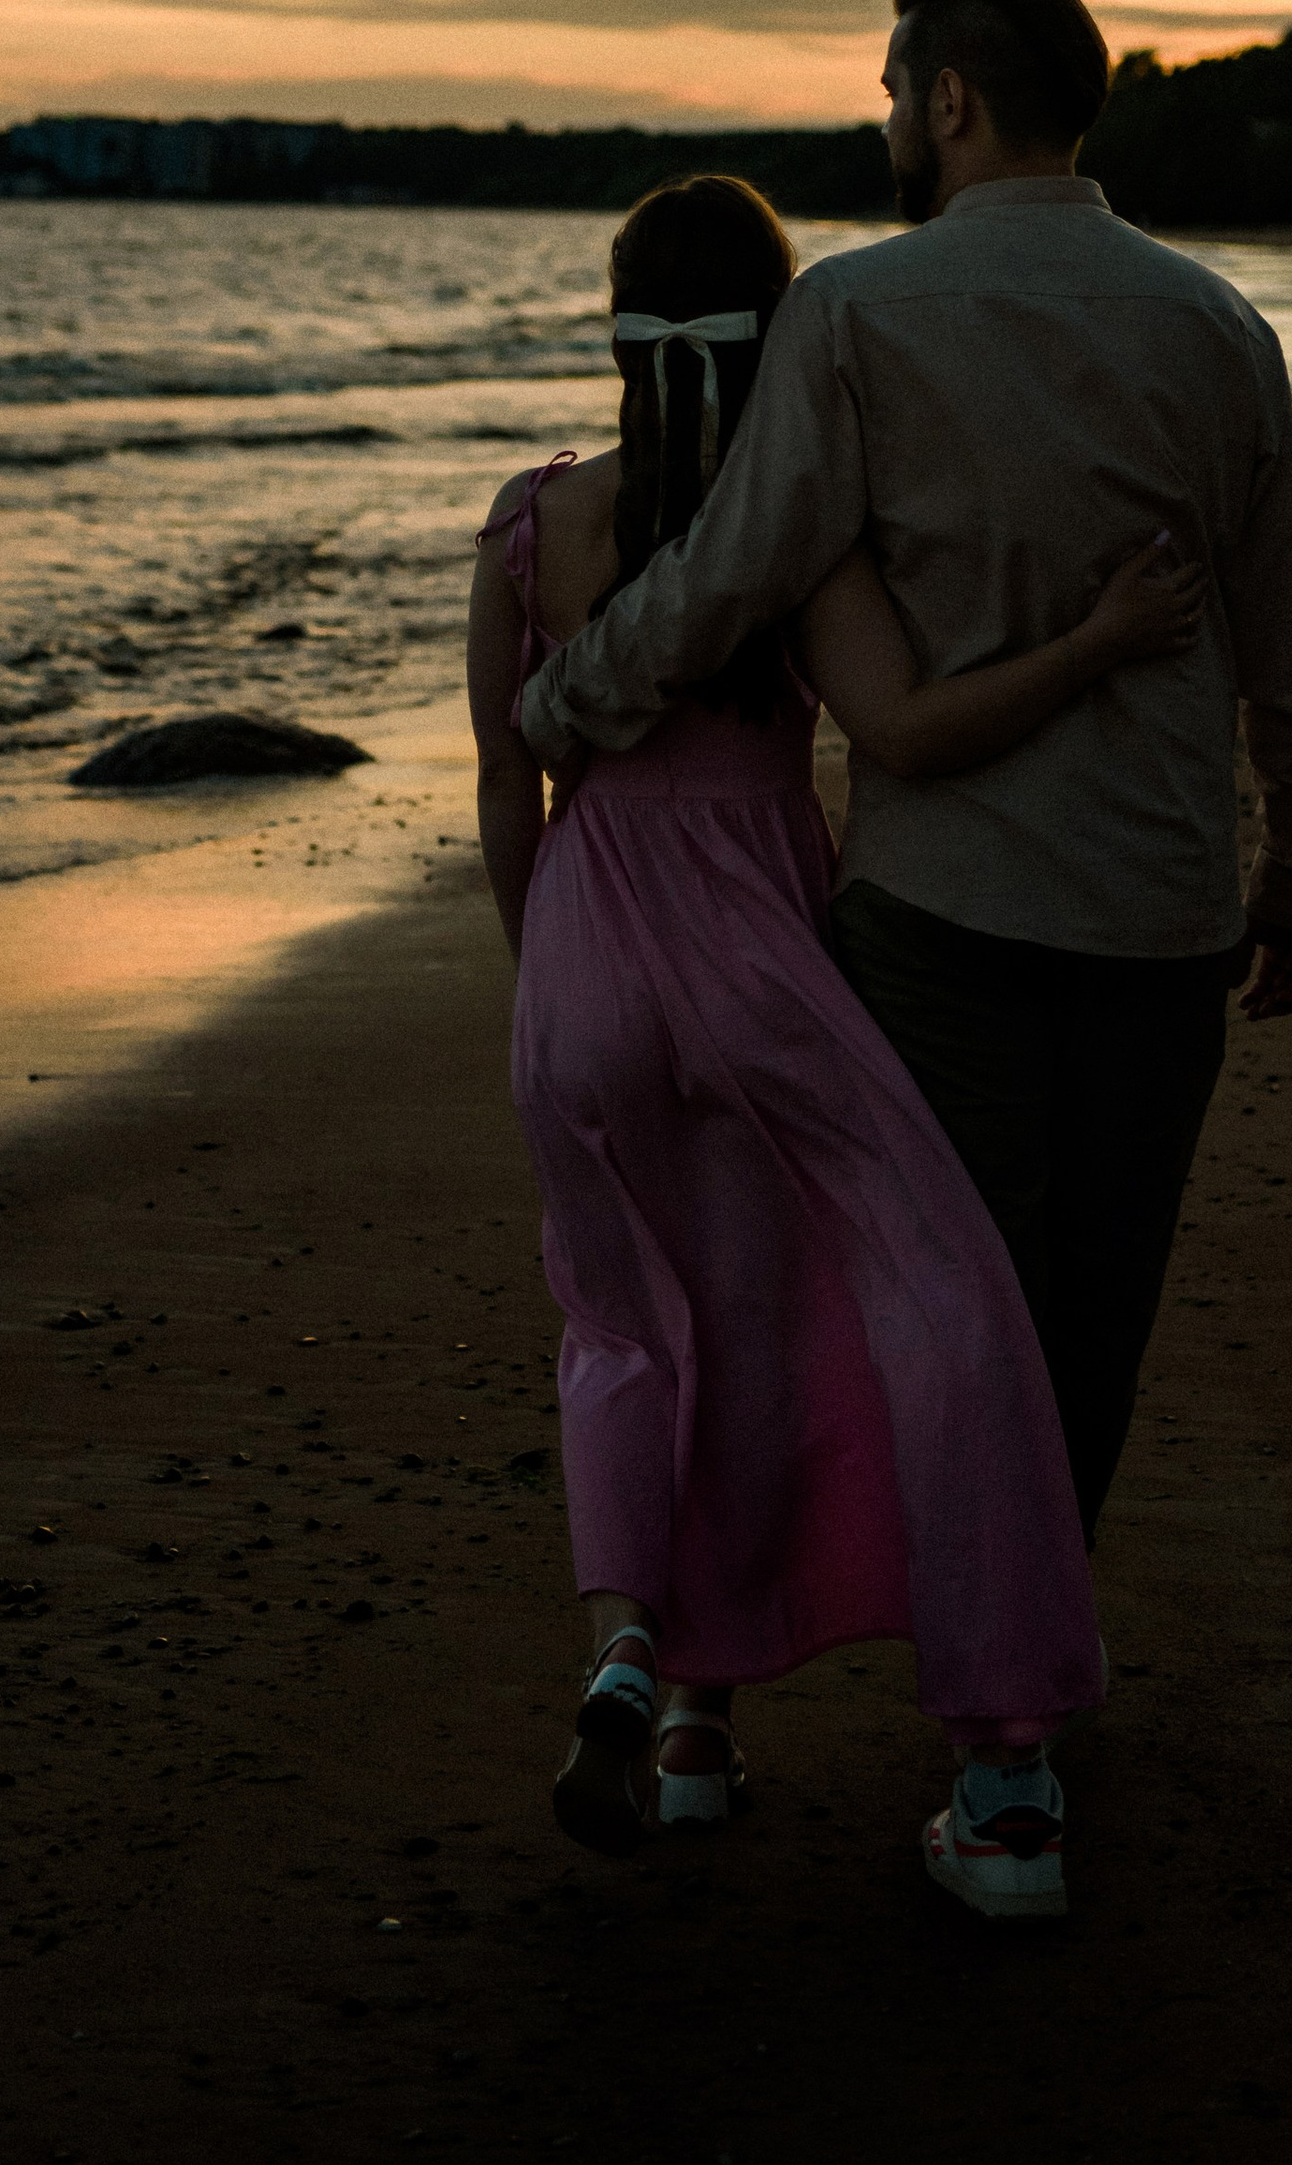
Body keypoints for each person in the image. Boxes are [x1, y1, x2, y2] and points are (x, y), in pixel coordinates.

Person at [514, 0, 1292, 1907]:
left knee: (936, 1318)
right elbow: (1291, 641)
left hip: (945, 912)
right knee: (1076, 1322)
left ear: (955, 102)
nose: (886, 114)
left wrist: (567, 709)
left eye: (896, 84)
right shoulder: (1211, 322)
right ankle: (1014, 1714)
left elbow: (735, 561)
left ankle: (982, 1750)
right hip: (1155, 908)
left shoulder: (855, 312)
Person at [471, 171, 1208, 1915]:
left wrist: (546, 983)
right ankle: (1005, 1760)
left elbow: (513, 785)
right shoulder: (789, 523)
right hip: (757, 957)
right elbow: (911, 730)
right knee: (919, 1290)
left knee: (629, 1323)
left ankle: (666, 1695)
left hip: (582, 951)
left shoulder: (526, 520)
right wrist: (1102, 639)